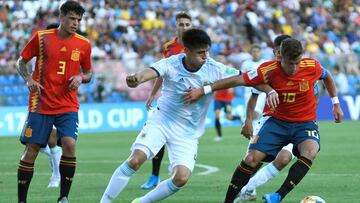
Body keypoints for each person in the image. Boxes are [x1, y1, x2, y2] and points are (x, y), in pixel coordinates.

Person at [100, 28, 272, 203]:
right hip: (161, 121)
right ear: (187, 51)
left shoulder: (214, 68)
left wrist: (271, 90)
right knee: (135, 160)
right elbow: (148, 72)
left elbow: (246, 79)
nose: (205, 56)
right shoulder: (171, 63)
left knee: (181, 178)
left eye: (207, 51)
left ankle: (142, 202)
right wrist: (136, 78)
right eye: (200, 53)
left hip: (188, 132)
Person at [183, 38, 343, 203]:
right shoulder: (268, 70)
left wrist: (335, 104)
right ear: (280, 57)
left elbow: (327, 76)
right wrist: (204, 90)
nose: (294, 68)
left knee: (310, 151)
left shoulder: (312, 66)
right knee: (251, 159)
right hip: (277, 122)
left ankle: (278, 195)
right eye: (290, 63)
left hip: (305, 123)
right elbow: (238, 80)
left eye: (297, 62)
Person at [16, 1, 92, 203]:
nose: (76, 23)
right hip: (41, 103)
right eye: (72, 19)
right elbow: (21, 62)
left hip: (68, 103)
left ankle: (63, 197)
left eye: (79, 20)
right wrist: (28, 79)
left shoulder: (84, 44)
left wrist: (81, 78)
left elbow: (89, 72)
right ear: (62, 17)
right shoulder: (42, 38)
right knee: (31, 149)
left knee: (69, 143)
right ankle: (22, 200)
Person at [235, 35, 293, 202]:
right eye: (280, 50)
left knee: (284, 158)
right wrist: (248, 121)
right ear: (275, 51)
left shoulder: (301, 68)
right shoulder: (267, 70)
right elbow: (253, 95)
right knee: (253, 160)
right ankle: (244, 190)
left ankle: (248, 188)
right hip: (267, 120)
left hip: (293, 124)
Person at [141, 12, 192, 190]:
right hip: (169, 100)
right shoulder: (169, 47)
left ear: (191, 26)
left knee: (183, 138)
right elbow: (161, 72)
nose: (184, 27)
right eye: (181, 24)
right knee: (159, 136)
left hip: (189, 102)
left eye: (187, 24)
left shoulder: (197, 44)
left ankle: (179, 170)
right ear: (175, 26)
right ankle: (154, 176)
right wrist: (153, 93)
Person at [213, 54, 242, 142]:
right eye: (218, 58)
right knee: (217, 115)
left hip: (227, 98)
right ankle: (219, 136)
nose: (220, 59)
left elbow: (235, 78)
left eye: (221, 58)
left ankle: (240, 118)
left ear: (225, 59)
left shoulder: (229, 68)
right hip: (218, 96)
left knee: (229, 117)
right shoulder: (215, 68)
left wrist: (232, 87)